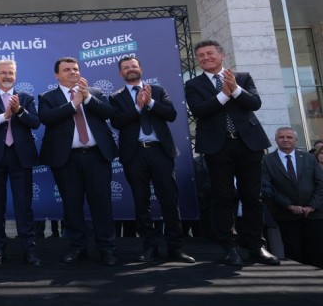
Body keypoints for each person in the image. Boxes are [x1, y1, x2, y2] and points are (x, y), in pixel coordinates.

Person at [184, 40, 279, 266]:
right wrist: (223, 95)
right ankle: (230, 247)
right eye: (201, 55)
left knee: (253, 197)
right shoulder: (193, 84)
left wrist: (234, 89)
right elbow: (199, 111)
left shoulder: (242, 77)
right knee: (223, 196)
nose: (205, 58)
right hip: (217, 147)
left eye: (209, 53)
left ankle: (257, 246)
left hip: (248, 144)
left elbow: (254, 103)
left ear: (222, 55)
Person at [109, 55, 195, 263]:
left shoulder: (157, 90)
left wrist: (150, 102)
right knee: (141, 202)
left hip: (160, 152)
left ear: (141, 69)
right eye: (126, 67)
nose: (130, 69)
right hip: (134, 154)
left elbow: (171, 115)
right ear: (120, 73)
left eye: (133, 66)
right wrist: (138, 107)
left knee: (170, 200)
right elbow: (117, 122)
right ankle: (149, 247)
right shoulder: (115, 97)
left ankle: (175, 248)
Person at [38, 57, 118, 266]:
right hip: (67, 159)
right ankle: (77, 247)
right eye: (67, 70)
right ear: (57, 75)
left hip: (97, 157)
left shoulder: (96, 92)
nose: (72, 72)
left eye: (75, 69)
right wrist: (74, 104)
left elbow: (109, 113)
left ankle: (107, 248)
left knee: (102, 204)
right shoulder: (48, 97)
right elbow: (47, 118)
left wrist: (87, 97)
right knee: (72, 205)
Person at [0, 60, 42, 266]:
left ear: (16, 75)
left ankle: (29, 250)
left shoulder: (26, 98)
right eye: (3, 73)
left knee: (24, 205)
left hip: (21, 157)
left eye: (11, 73)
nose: (7, 76)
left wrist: (19, 110)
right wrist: (4, 116)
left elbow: (35, 123)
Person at [262, 127, 323, 268]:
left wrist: (312, 206)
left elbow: (320, 183)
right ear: (276, 140)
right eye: (281, 137)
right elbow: (268, 187)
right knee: (294, 251)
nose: (285, 140)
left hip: (313, 214)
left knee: (317, 251)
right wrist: (289, 205)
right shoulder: (267, 160)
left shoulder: (308, 158)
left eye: (289, 137)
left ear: (296, 140)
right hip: (286, 215)